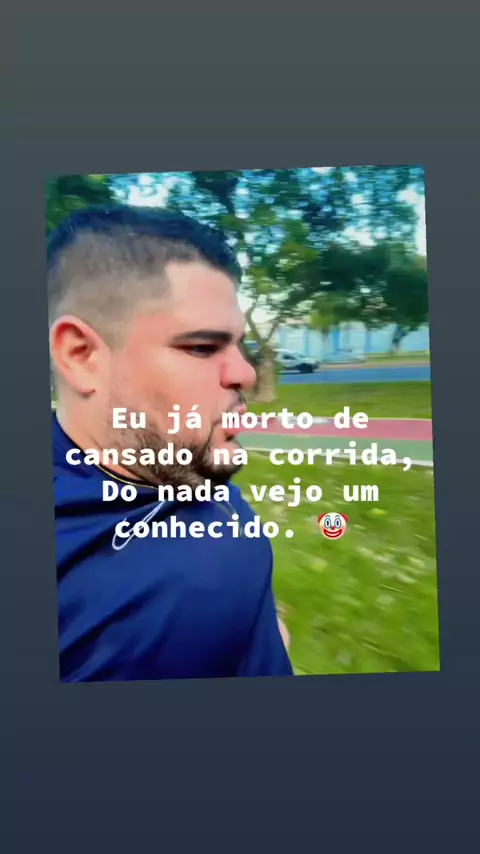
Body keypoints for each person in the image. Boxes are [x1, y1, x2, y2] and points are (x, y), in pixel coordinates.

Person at [48, 204, 294, 682]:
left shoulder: (175, 462)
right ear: (81, 355)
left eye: (239, 345)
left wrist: (257, 626)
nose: (245, 372)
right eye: (202, 347)